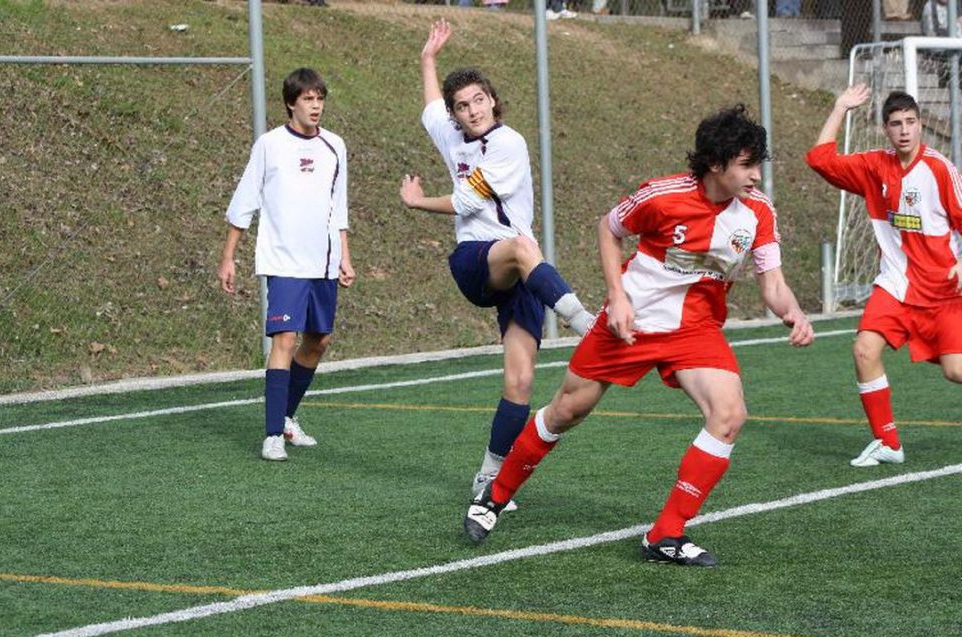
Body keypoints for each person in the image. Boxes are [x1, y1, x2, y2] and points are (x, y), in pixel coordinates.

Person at [464, 105, 815, 567]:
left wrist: (793, 313)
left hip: (696, 328)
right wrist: (618, 297)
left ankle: (665, 534)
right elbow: (609, 231)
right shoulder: (663, 196)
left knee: (729, 415)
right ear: (716, 164)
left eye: (757, 166)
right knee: (568, 409)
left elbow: (772, 282)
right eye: (747, 166)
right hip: (632, 321)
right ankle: (496, 493)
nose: (756, 177)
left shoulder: (758, 213)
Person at [401, 19, 596, 508]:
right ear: (456, 114)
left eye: (478, 100)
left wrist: (419, 199)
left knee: (521, 380)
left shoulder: (509, 143)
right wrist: (428, 58)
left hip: (519, 274)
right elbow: (466, 202)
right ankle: (586, 324)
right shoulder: (452, 134)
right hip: (475, 261)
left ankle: (489, 477)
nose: (472, 111)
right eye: (462, 106)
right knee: (524, 247)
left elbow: (459, 171)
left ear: (492, 99)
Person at [806, 84, 962, 467]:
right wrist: (840, 106)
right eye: (896, 124)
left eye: (911, 122)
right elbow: (819, 159)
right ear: (885, 130)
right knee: (863, 350)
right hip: (894, 285)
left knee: (956, 371)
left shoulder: (941, 169)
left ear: (921, 125)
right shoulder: (875, 166)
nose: (905, 130)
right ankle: (888, 443)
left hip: (943, 291)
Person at [220, 67, 355, 462]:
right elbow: (245, 199)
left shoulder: (335, 146)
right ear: (290, 103)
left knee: (320, 342)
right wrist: (229, 256)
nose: (316, 106)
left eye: (320, 99)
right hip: (283, 260)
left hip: (324, 261)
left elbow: (338, 205)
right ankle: (271, 435)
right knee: (285, 340)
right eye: (308, 99)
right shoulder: (270, 145)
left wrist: (345, 254)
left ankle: (287, 418)